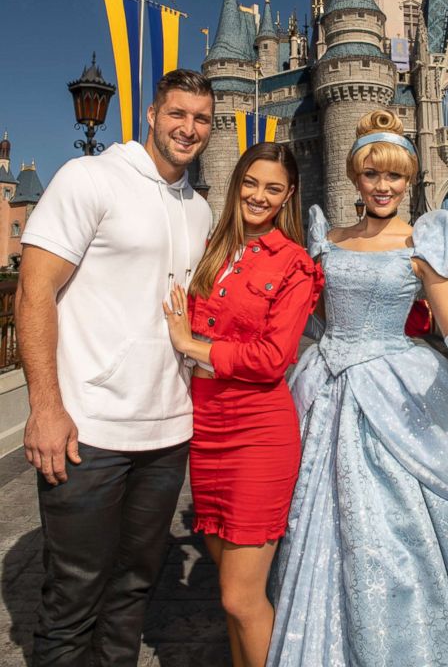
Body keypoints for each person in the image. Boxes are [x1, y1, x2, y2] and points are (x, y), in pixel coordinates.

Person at [266, 110, 448, 667]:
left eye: (394, 176)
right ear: (355, 178)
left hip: (396, 391)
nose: (383, 186)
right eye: (371, 175)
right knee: (312, 524)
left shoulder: (425, 239)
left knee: (398, 537)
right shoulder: (327, 236)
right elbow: (312, 323)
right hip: (324, 387)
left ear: (409, 179)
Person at [16, 69, 214, 667]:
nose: (189, 128)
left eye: (202, 118)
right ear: (151, 115)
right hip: (90, 431)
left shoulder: (200, 209)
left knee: (132, 592)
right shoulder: (91, 177)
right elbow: (34, 294)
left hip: (167, 431)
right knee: (73, 599)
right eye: (177, 114)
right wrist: (46, 408)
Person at [163, 142, 323, 667]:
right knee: (229, 597)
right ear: (236, 184)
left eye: (273, 188)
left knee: (242, 596)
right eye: (251, 183)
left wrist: (194, 346)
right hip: (206, 427)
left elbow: (274, 357)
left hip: (258, 431)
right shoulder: (210, 248)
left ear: (288, 196)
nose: (259, 196)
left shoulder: (295, 264)